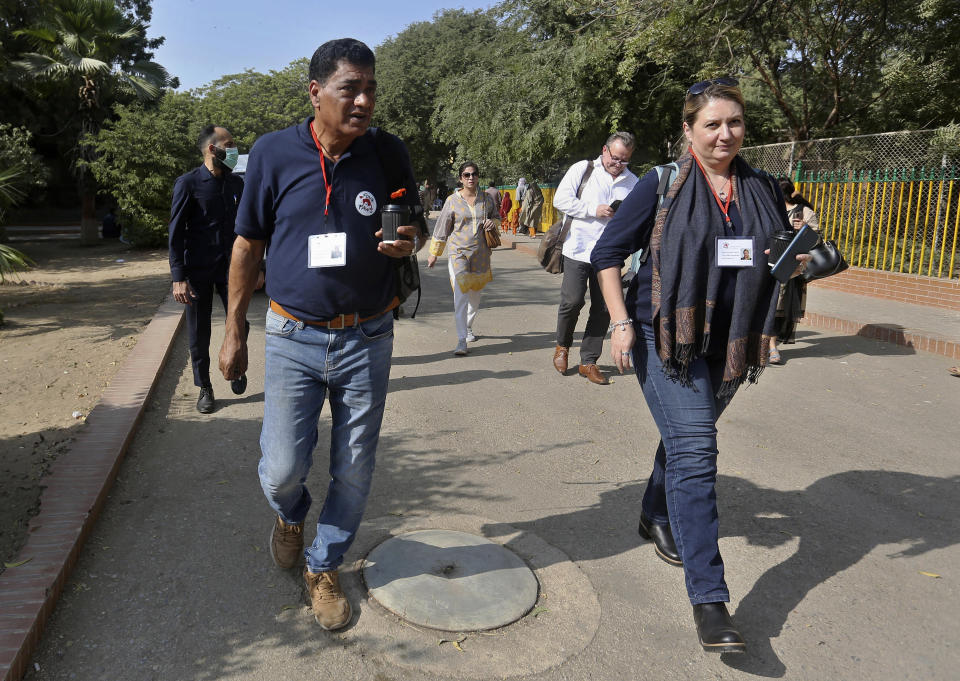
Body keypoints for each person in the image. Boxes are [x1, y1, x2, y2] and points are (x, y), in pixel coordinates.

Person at [591, 78, 811, 653]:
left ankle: (651, 512)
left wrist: (804, 254)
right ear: (689, 129)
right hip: (664, 337)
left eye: (734, 123)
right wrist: (617, 323)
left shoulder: (762, 187)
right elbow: (606, 254)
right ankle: (710, 601)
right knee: (697, 450)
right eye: (711, 124)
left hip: (730, 342)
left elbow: (781, 255)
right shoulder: (659, 184)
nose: (724, 134)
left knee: (688, 436)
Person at [217, 38, 426, 631]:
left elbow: (411, 218)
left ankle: (323, 564)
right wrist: (233, 331)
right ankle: (290, 517)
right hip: (291, 333)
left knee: (355, 467)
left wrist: (408, 239)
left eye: (370, 89)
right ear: (315, 92)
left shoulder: (387, 152)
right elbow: (246, 245)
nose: (363, 100)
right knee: (283, 469)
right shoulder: (274, 153)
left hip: (368, 335)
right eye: (349, 89)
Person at [169, 124, 245, 414]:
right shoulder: (187, 184)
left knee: (240, 322)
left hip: (232, 269)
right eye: (230, 143)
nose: (235, 149)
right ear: (213, 149)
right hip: (198, 270)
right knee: (199, 332)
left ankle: (236, 365)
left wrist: (257, 268)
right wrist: (179, 277)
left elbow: (247, 229)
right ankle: (205, 387)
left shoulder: (236, 184)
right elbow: (175, 233)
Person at [552, 132, 639, 385]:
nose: (618, 164)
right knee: (572, 301)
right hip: (578, 248)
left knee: (603, 309)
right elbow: (561, 200)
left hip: (609, 254)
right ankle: (562, 346)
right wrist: (593, 210)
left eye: (624, 160)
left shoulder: (632, 181)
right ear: (604, 150)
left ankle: (588, 361)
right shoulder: (583, 169)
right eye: (615, 158)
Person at [427, 161, 500, 355]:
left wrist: (493, 223)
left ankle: (467, 326)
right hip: (458, 253)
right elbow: (442, 226)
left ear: (478, 177)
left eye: (474, 174)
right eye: (466, 175)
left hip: (481, 254)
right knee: (460, 294)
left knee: (475, 296)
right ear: (461, 178)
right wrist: (434, 253)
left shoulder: (486, 199)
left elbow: (497, 217)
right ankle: (461, 340)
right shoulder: (452, 200)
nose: (470, 177)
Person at [770, 179, 820, 363]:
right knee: (768, 306)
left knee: (777, 309)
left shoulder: (803, 212)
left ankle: (772, 346)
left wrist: (805, 229)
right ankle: (767, 345)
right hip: (767, 265)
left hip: (792, 270)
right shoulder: (770, 209)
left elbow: (816, 241)